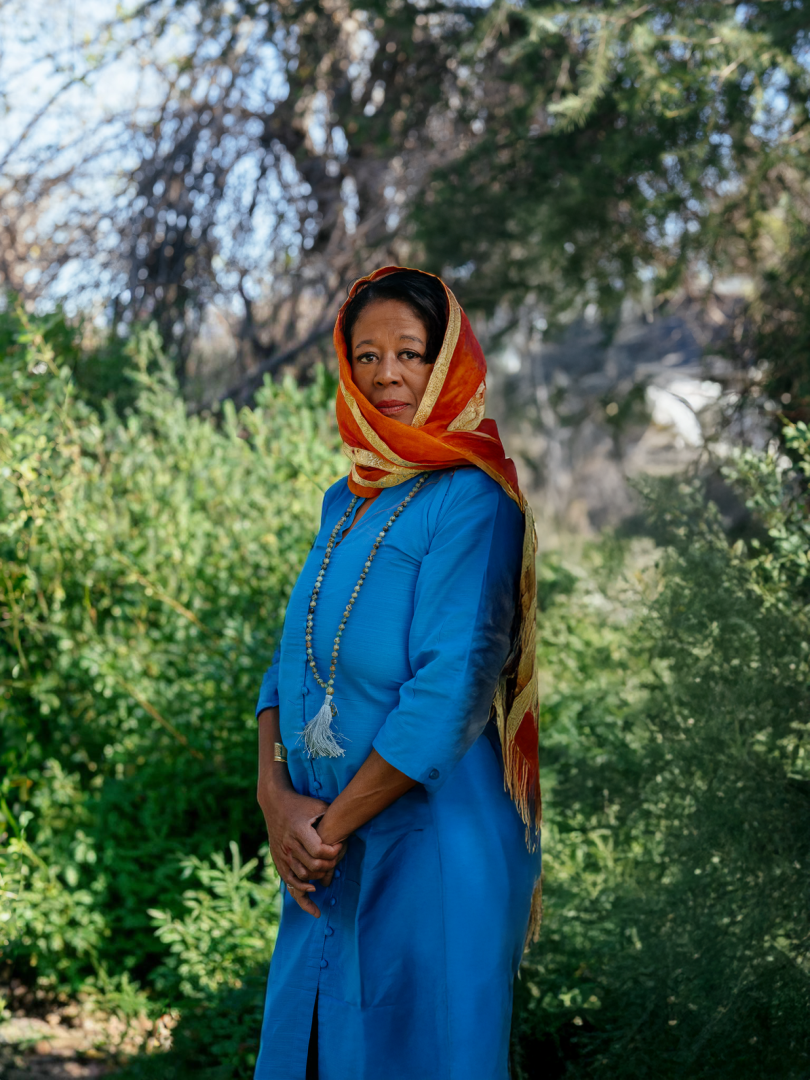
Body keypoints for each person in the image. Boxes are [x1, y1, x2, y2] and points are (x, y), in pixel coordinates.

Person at [254, 266, 542, 1080]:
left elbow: (449, 693)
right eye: (367, 354)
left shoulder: (475, 500)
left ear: (447, 363)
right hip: (320, 852)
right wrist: (276, 802)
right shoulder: (341, 501)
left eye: (411, 353)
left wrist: (327, 828)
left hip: (429, 851)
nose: (387, 375)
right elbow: (287, 663)